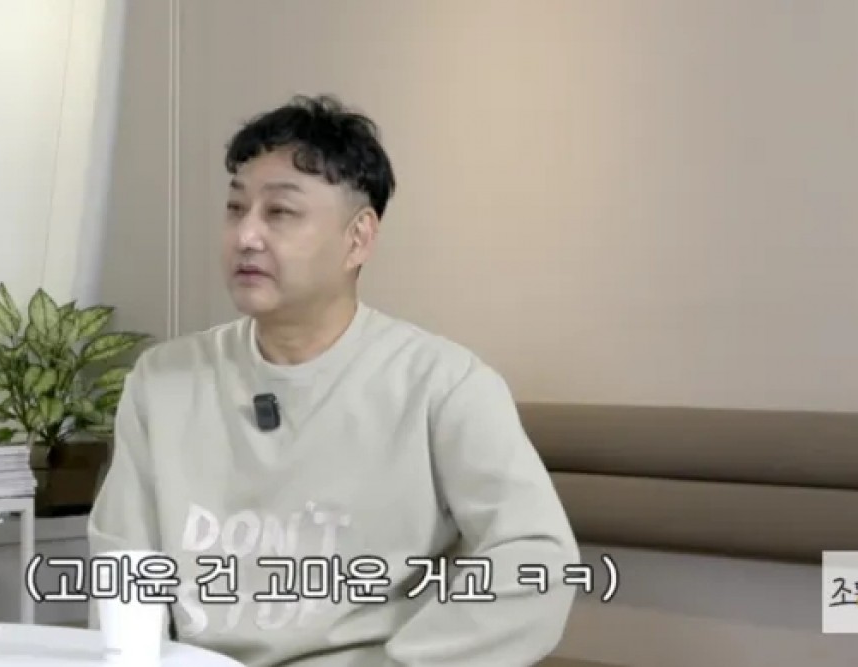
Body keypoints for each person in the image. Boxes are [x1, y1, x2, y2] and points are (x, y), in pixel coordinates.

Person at [88, 94, 580, 666]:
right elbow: (124, 564)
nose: (246, 235)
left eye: (279, 212)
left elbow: (537, 561)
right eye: (235, 208)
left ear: (358, 238)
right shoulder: (163, 381)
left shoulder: (442, 384)